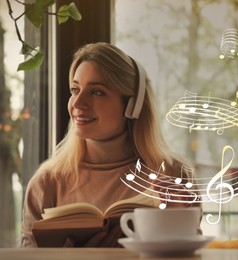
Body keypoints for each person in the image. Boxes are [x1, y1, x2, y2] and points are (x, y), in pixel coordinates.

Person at [21, 42, 202, 247]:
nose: (78, 103)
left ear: (133, 105)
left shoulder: (173, 173)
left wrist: (179, 227)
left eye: (97, 92)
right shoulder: (47, 183)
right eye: (75, 89)